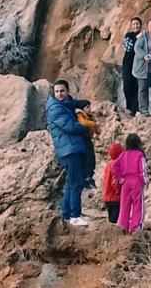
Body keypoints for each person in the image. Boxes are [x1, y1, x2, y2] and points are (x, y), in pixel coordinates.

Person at [45, 80, 90, 227]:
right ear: (54, 93)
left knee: (72, 182)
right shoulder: (55, 108)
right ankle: (75, 216)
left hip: (71, 148)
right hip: (68, 149)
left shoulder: (66, 103)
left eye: (62, 91)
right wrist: (87, 127)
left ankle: (65, 215)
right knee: (76, 182)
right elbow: (69, 126)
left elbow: (74, 103)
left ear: (67, 91)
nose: (59, 94)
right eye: (57, 91)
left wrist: (85, 105)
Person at [113, 133, 149, 235]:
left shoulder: (123, 155)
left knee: (124, 206)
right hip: (136, 181)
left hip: (125, 182)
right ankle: (136, 227)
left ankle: (122, 227)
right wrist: (145, 180)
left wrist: (119, 178)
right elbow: (143, 169)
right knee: (138, 206)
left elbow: (115, 166)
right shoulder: (140, 154)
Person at [121, 17, 142, 115]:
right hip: (128, 64)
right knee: (127, 85)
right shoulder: (128, 35)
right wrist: (137, 38)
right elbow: (128, 47)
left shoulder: (144, 37)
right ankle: (129, 107)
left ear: (140, 25)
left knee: (137, 86)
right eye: (134, 24)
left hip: (139, 64)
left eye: (137, 24)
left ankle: (135, 109)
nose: (135, 26)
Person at [75, 104, 98, 189]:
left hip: (88, 139)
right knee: (87, 158)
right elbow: (83, 123)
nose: (90, 109)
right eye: (87, 107)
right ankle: (86, 179)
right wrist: (94, 124)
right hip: (83, 140)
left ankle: (90, 177)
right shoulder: (80, 115)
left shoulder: (89, 117)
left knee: (91, 158)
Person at [103, 143, 124, 223]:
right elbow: (115, 181)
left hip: (107, 197)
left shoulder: (108, 165)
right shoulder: (118, 165)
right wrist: (118, 193)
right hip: (115, 197)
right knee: (116, 220)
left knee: (111, 219)